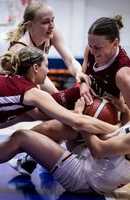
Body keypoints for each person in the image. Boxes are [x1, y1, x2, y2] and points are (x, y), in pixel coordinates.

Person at [0, 46, 117, 197]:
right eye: (46, 66)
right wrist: (117, 129)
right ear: (35, 68)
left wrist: (83, 90)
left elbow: (40, 115)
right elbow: (76, 121)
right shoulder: (32, 91)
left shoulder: (10, 80)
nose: (49, 70)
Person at [8, 14, 130, 175]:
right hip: (83, 96)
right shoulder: (92, 48)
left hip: (101, 113)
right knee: (37, 109)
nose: (93, 50)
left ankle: (25, 156)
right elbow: (83, 75)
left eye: (98, 47)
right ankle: (28, 155)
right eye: (90, 45)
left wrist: (118, 130)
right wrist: (83, 86)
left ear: (115, 43)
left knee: (50, 127)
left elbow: (128, 117)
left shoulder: (123, 74)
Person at [0, 97, 130, 195]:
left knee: (22, 137)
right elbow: (118, 134)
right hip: (96, 163)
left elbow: (98, 149)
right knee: (60, 127)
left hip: (85, 180)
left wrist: (81, 118)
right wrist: (124, 112)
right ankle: (30, 158)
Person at [0, 1, 90, 95]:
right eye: (46, 22)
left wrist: (79, 73)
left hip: (3, 67)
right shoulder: (20, 45)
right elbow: (41, 78)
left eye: (53, 20)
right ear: (31, 25)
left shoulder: (52, 30)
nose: (52, 25)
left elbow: (70, 61)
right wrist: (60, 98)